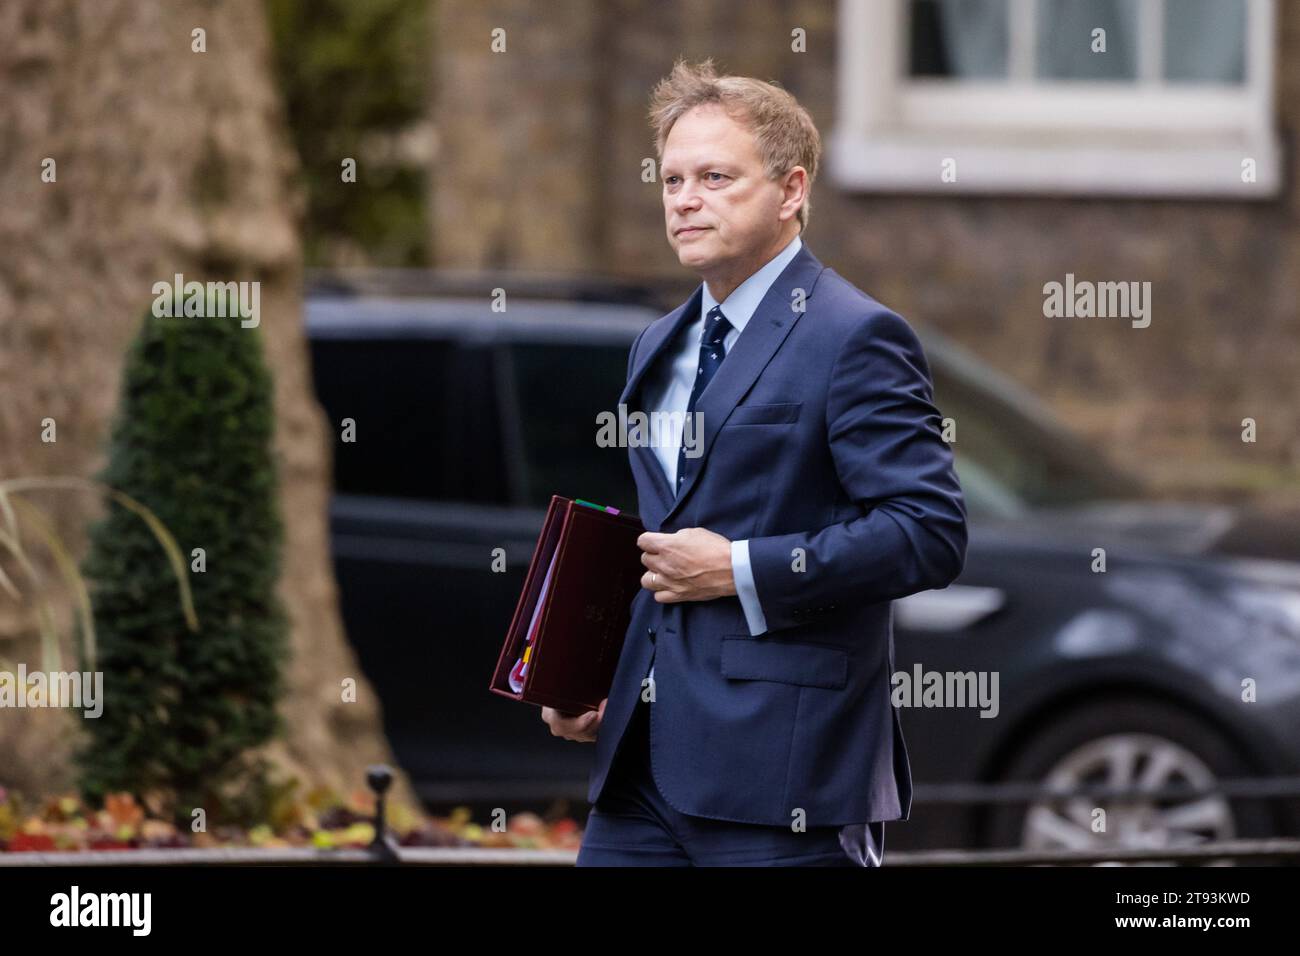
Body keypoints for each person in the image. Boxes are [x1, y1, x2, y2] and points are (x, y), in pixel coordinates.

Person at [543, 58, 967, 867]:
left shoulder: (855, 337)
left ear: (792, 189)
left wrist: (739, 569)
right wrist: (595, 675)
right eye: (671, 180)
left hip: (785, 780)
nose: (685, 200)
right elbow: (662, 545)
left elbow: (929, 532)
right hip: (636, 775)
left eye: (714, 176)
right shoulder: (655, 344)